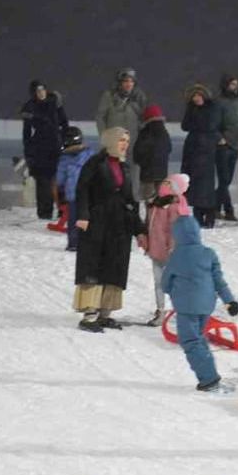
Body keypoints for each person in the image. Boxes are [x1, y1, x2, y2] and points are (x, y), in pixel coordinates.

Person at [73, 127, 147, 332]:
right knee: (94, 267)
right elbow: (82, 190)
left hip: (120, 226)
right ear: (110, 141)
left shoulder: (125, 167)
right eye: (121, 140)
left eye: (127, 141)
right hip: (97, 224)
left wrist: (139, 230)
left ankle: (105, 313)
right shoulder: (94, 163)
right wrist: (83, 215)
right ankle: (89, 314)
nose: (125, 144)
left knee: (115, 267)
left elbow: (130, 200)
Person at [161, 215, 238, 393]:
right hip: (206, 305)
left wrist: (172, 290)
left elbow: (165, 283)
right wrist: (230, 301)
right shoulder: (208, 253)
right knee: (198, 337)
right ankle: (208, 371)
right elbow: (219, 281)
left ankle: (208, 378)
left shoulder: (176, 256)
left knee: (190, 341)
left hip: (186, 306)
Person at [145, 173, 192, 325]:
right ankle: (160, 310)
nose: (164, 185)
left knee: (174, 283)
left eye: (169, 183)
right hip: (156, 249)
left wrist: (172, 247)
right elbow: (150, 225)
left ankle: (182, 310)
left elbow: (175, 230)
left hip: (170, 252)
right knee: (158, 283)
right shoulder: (156, 203)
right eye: (165, 182)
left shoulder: (174, 206)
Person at [20, 80, 69, 220]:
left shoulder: (55, 102)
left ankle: (64, 211)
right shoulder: (29, 107)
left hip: (57, 146)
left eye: (43, 90)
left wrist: (66, 142)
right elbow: (26, 133)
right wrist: (28, 152)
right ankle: (44, 213)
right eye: (38, 91)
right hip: (39, 148)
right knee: (43, 182)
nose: (41, 93)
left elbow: (64, 123)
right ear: (33, 93)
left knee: (60, 180)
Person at [96, 68, 149, 197]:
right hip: (113, 141)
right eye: (125, 81)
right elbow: (100, 116)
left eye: (131, 81)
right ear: (120, 82)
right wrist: (104, 135)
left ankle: (133, 197)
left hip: (133, 141)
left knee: (133, 170)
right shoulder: (109, 96)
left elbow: (145, 117)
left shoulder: (139, 97)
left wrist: (143, 135)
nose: (128, 84)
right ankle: (112, 197)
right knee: (112, 169)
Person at [181, 84, 223, 228]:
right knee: (194, 184)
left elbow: (210, 125)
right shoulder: (191, 109)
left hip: (206, 150)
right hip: (192, 150)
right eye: (194, 96)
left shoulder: (212, 108)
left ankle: (209, 215)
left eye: (199, 95)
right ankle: (198, 215)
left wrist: (196, 124)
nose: (196, 98)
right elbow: (185, 125)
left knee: (206, 185)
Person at [55, 127, 96, 252]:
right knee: (84, 218)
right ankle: (83, 243)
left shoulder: (65, 159)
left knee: (76, 219)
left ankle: (75, 243)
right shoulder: (90, 155)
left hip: (77, 195)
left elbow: (60, 179)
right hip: (86, 194)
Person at [214, 73, 238, 222]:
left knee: (226, 180)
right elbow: (213, 123)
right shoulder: (219, 103)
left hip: (235, 145)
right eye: (232, 84)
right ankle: (228, 210)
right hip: (223, 146)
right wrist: (220, 138)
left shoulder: (237, 103)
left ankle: (215, 208)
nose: (234, 87)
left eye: (236, 85)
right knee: (224, 180)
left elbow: (237, 124)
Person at [131, 104, 172, 207]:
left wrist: (140, 162)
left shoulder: (145, 133)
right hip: (162, 173)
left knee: (147, 201)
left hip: (147, 174)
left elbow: (138, 151)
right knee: (160, 200)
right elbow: (169, 149)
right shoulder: (164, 132)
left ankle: (149, 217)